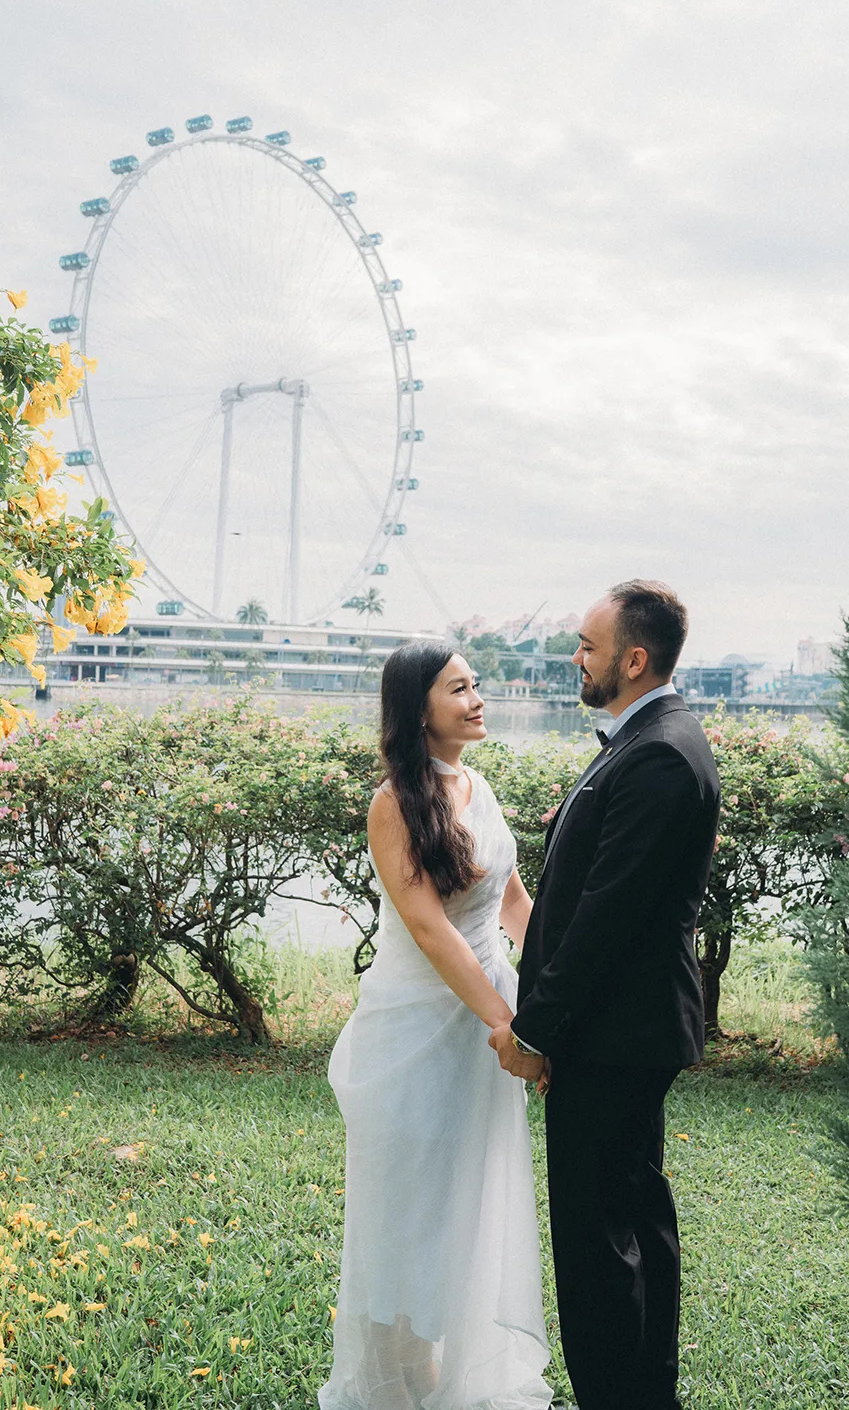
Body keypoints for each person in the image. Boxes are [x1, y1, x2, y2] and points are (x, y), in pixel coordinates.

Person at [490, 580, 721, 1410]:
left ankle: (620, 1396)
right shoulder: (646, 739)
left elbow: (607, 916)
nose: (575, 658)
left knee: (597, 1242)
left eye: (587, 646)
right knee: (635, 1216)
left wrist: (537, 1028)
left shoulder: (659, 751)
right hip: (623, 1032)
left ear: (633, 658)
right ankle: (649, 1391)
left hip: (613, 1037)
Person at [319, 642, 553, 1410]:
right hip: (417, 1035)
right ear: (419, 705)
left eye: (477, 685)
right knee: (407, 1218)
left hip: (483, 1032)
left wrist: (556, 989)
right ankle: (401, 1388)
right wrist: (505, 1024)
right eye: (460, 688)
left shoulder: (477, 786)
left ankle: (451, 1378)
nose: (479, 698)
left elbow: (514, 905)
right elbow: (428, 928)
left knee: (462, 1209)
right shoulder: (393, 803)